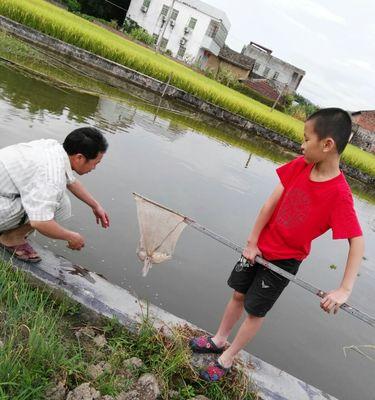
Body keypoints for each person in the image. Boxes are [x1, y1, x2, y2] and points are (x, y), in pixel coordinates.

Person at [189, 108, 365, 381]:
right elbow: (270, 204)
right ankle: (219, 339)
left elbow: (357, 241)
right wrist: (252, 241)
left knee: (255, 310)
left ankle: (226, 358)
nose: (302, 144)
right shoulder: (301, 165)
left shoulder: (339, 195)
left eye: (307, 139)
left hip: (284, 262)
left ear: (327, 144)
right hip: (258, 247)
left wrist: (344, 288)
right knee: (238, 293)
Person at [0, 127, 110, 262]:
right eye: (95, 163)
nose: (94, 168)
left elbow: (71, 181)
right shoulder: (51, 176)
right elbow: (40, 222)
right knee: (48, 208)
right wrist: (71, 236)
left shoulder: (54, 148)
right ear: (79, 158)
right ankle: (10, 239)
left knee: (62, 202)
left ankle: (11, 231)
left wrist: (95, 205)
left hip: (4, 194)